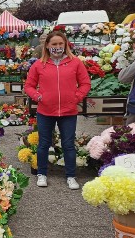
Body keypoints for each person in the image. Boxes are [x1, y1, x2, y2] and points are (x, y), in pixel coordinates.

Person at [24, 30, 91, 190]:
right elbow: (28, 86)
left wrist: (76, 97)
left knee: (68, 144)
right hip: (45, 111)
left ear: (66, 44)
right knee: (44, 144)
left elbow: (85, 83)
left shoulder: (75, 63)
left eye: (61, 44)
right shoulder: (39, 65)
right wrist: (38, 96)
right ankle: (42, 174)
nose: (58, 47)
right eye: (54, 44)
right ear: (47, 45)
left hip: (68, 112)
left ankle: (71, 176)